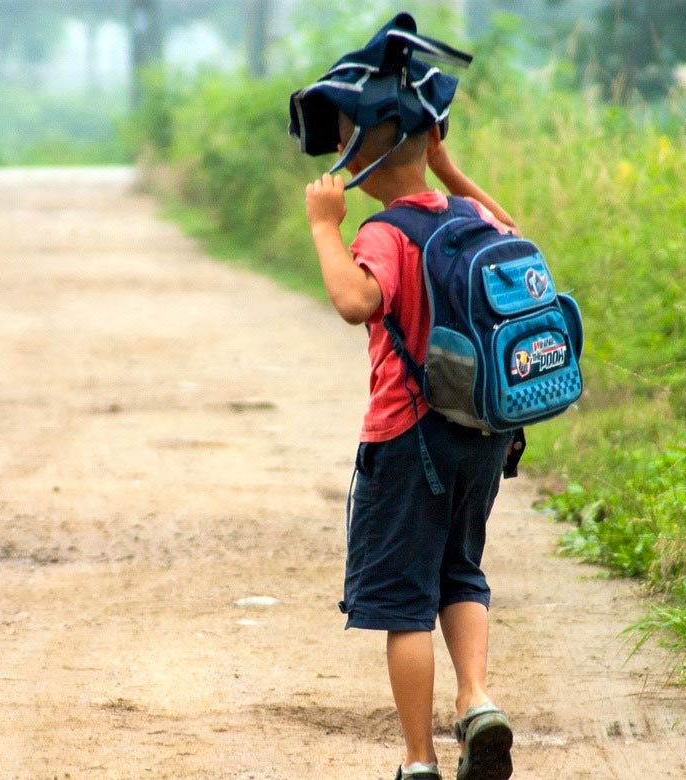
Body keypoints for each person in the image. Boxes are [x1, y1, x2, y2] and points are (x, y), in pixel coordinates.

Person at [291, 15, 519, 780]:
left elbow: (357, 302)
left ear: (364, 148)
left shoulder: (384, 233)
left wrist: (327, 227)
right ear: (430, 142)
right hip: (480, 434)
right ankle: (478, 699)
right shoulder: (466, 217)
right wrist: (450, 172)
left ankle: (419, 759)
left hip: (406, 439)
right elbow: (509, 226)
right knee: (462, 574)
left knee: (401, 603)